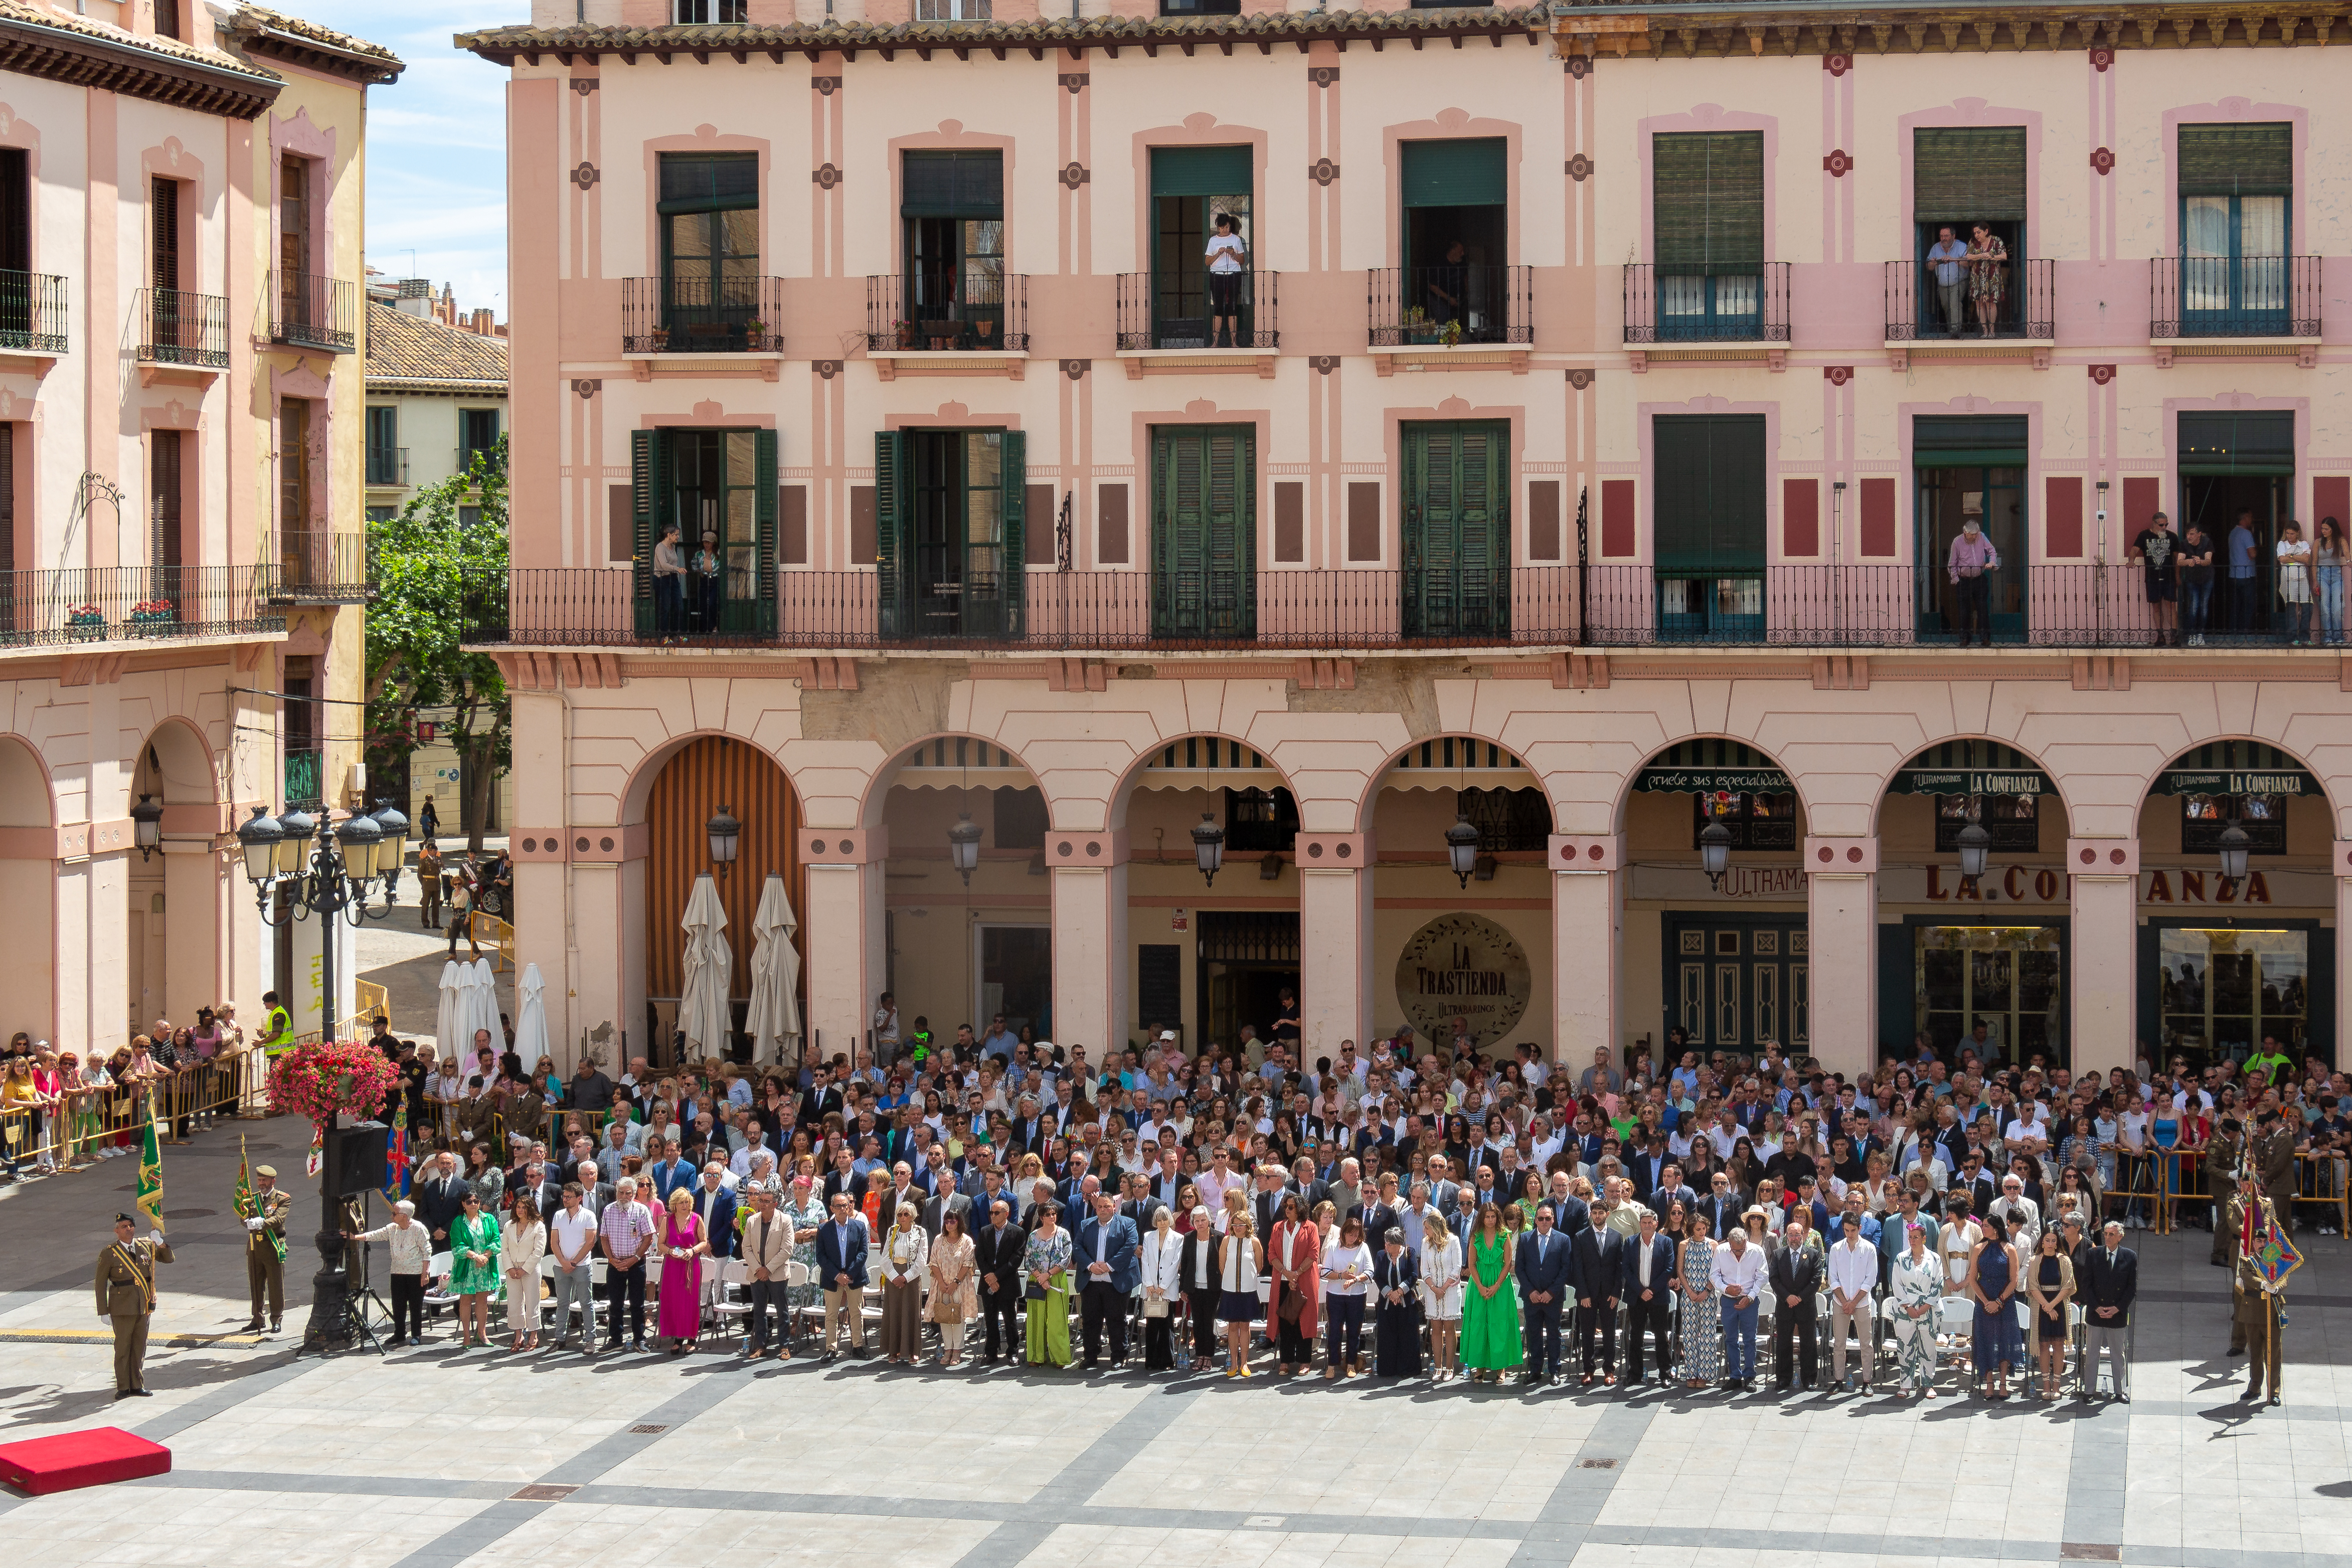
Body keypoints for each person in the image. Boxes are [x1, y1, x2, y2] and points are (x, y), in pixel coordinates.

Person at [95, 1213, 172, 1399]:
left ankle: (137, 1384)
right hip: (121, 1307)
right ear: (116, 1231)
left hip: (143, 1304)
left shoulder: (145, 1246)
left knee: (139, 1346)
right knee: (123, 1348)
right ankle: (123, 1386)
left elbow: (169, 1259)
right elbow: (100, 1283)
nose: (128, 1229)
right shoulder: (109, 1253)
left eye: (130, 1226)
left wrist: (160, 1242)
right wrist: (103, 1311)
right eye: (124, 1226)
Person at [2224, 1170, 2284, 1403]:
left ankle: (2274, 1390)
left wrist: (2275, 1285)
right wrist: (2248, 1233)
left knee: (2274, 1354)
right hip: (2240, 1249)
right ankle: (2238, 1343)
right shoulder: (2234, 1202)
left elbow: (2268, 1225)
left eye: (2252, 1183)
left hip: (2270, 1308)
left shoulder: (2266, 1205)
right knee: (2239, 1298)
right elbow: (2233, 1225)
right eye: (2244, 1182)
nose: (2248, 1185)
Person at [350, 1199, 435, 1347]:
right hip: (397, 1272)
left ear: (404, 1216)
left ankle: (416, 1335)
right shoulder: (392, 1229)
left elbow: (427, 1251)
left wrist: (425, 1273)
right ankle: (399, 1333)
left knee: (415, 1305)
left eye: (394, 1214)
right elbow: (376, 1235)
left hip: (415, 1274)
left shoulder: (418, 1229)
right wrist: (355, 1237)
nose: (392, 1216)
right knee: (398, 1304)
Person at [1075, 1190, 1138, 1370]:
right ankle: (1090, 1356)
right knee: (1090, 1320)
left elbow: (1130, 1246)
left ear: (1114, 1207)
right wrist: (1090, 1265)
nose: (1102, 1210)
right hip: (1091, 1280)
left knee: (1116, 1320)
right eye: (1099, 1207)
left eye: (1106, 1206)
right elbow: (1077, 1247)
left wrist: (1109, 1266)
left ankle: (1118, 1357)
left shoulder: (1127, 1224)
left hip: (1115, 1281)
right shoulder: (1086, 1225)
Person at [1460, 1201, 1522, 1384]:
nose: (1490, 1220)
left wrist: (1496, 1286)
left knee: (1499, 1325)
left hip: (1500, 1285)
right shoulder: (1476, 1236)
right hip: (1479, 1284)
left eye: (1493, 1216)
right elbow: (1471, 1264)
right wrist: (1479, 1286)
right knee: (1479, 1324)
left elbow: (1508, 1263)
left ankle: (1500, 1368)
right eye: (1487, 1217)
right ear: (1482, 1218)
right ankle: (1479, 1367)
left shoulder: (1505, 1235)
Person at [1514, 1200, 1571, 1387]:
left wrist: (1550, 1293)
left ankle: (1554, 1370)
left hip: (1553, 1298)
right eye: (1541, 1219)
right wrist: (1530, 1291)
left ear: (1553, 1220)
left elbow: (1565, 1270)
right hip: (1532, 1297)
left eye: (1548, 1218)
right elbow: (1520, 1268)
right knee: (1533, 1333)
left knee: (1554, 1333)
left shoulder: (1563, 1240)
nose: (1544, 1222)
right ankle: (1535, 1370)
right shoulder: (1525, 1239)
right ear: (1536, 1220)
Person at [1620, 1206, 1676, 1390]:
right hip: (1636, 1297)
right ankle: (1634, 1373)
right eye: (1643, 1223)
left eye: (1649, 1223)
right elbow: (1626, 1269)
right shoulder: (1630, 1242)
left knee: (1661, 1336)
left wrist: (1651, 1290)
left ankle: (1665, 1374)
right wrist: (1641, 1290)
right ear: (1640, 1224)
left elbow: (1669, 1269)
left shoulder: (1666, 1242)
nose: (1646, 1226)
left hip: (1658, 1297)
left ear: (1656, 1224)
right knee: (1635, 1335)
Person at [2077, 1218, 2134, 1401]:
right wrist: (2097, 1307)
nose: (2107, 1237)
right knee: (2092, 1353)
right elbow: (2087, 1284)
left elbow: (2131, 1288)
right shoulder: (2094, 1255)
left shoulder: (2129, 1257)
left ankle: (2120, 1391)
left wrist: (2117, 1308)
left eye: (2111, 1235)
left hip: (2117, 1315)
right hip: (2096, 1313)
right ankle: (2089, 1391)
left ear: (2120, 1237)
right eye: (2106, 1234)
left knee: (2118, 1354)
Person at [737, 1183, 795, 1360]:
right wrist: (757, 1269)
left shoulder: (785, 1221)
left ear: (775, 1204)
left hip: (776, 1273)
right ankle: (761, 1345)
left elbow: (787, 1250)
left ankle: (784, 1345)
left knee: (781, 1310)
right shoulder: (752, 1221)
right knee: (759, 1311)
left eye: (767, 1202)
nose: (762, 1204)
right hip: (757, 1274)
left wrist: (768, 1269)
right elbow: (746, 1248)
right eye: (761, 1201)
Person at [1888, 1217, 1943, 1399]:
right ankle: (1905, 1384)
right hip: (1905, 1311)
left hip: (1929, 1311)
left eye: (1916, 1237)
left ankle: (1928, 1384)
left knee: (1928, 1349)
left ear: (1924, 1238)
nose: (1912, 1240)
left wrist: (1925, 1307)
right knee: (1905, 1347)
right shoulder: (1900, 1258)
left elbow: (1938, 1285)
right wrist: (1909, 1307)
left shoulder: (1935, 1258)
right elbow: (1896, 1284)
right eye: (1910, 1237)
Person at [1968, 1211, 2022, 1399]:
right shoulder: (1978, 1249)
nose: (1983, 1228)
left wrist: (1999, 1301)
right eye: (1983, 1225)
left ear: (1996, 1229)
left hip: (2005, 1300)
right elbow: (1972, 1278)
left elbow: (2014, 1279)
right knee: (1986, 1340)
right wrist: (1985, 1302)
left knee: (2005, 1339)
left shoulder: (2010, 1249)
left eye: (1986, 1226)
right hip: (1984, 1300)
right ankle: (1989, 1382)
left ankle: (2003, 1383)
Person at [599, 1175, 654, 1353]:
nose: (624, 1196)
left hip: (636, 1262)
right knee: (616, 1303)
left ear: (634, 1193)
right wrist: (612, 1259)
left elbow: (648, 1237)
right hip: (615, 1263)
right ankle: (616, 1339)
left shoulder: (641, 1210)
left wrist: (635, 1258)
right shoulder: (608, 1210)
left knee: (637, 1303)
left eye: (628, 1193)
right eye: (621, 1193)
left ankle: (640, 1339)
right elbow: (604, 1237)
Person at [1266, 1192, 1319, 1375]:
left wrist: (1296, 1275)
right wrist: (1286, 1273)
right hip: (1282, 1280)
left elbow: (1313, 1254)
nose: (1287, 1210)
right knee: (1285, 1319)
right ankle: (1286, 1360)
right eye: (1286, 1206)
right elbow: (1271, 1254)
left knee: (1304, 1320)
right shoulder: (1278, 1228)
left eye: (1291, 1207)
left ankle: (1305, 1361)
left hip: (1303, 1281)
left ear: (1300, 1209)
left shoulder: (1310, 1227)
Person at [1769, 1212, 1821, 1392]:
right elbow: (1774, 1279)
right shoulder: (1778, 1254)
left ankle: (1809, 1379)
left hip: (1806, 1306)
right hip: (1785, 1305)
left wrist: (1799, 1298)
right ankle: (1783, 1379)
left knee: (1808, 1343)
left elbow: (1816, 1280)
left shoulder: (1813, 1255)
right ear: (1786, 1237)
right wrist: (1788, 1297)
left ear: (1803, 1236)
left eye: (1797, 1235)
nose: (1793, 1238)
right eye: (1790, 1235)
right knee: (1784, 1343)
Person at [1825, 1211, 1878, 1393]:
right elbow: (1833, 1278)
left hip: (1861, 1303)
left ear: (1860, 1228)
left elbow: (1870, 1280)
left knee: (1866, 1343)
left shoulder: (1870, 1249)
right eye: (1847, 1230)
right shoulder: (1836, 1249)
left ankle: (1867, 1381)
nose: (1850, 1234)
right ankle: (1838, 1380)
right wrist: (1844, 1301)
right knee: (1839, 1343)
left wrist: (1853, 1302)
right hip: (1841, 1303)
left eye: (1853, 1230)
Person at [238, 1162, 292, 1335]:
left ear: (273, 1181)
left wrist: (260, 1223)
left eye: (265, 1181)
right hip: (255, 1249)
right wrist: (246, 1222)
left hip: (273, 1247)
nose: (261, 1183)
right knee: (256, 1285)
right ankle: (257, 1318)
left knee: (276, 1286)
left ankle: (276, 1318)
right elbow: (244, 1217)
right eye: (259, 1180)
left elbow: (278, 1220)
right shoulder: (252, 1199)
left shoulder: (282, 1199)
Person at [1570, 1203, 1620, 1385]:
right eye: (1595, 1213)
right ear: (1591, 1214)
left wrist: (1616, 1292)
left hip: (1609, 1295)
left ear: (1607, 1214)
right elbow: (1577, 1268)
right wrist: (1582, 1293)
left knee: (1609, 1333)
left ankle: (1609, 1370)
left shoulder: (1617, 1237)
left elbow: (1619, 1268)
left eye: (1601, 1213)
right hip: (1587, 1295)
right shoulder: (1581, 1237)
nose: (1598, 1216)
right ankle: (1589, 1370)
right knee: (1588, 1332)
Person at [817, 1190, 871, 1360]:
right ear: (832, 1208)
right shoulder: (824, 1229)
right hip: (832, 1278)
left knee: (856, 1312)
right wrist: (836, 1275)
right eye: (838, 1206)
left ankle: (857, 1346)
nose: (842, 1209)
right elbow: (821, 1256)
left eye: (845, 1205)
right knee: (831, 1314)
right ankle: (831, 1349)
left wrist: (848, 1274)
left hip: (854, 1277)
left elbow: (863, 1253)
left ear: (849, 1207)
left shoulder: (859, 1227)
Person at [447, 1189, 502, 1350]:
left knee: (482, 1300)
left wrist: (485, 1256)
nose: (473, 1204)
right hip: (467, 1266)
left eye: (476, 1201)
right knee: (465, 1300)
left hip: (484, 1266)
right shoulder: (458, 1222)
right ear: (463, 1205)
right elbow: (457, 1246)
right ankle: (466, 1336)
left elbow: (496, 1239)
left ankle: (482, 1333)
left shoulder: (489, 1219)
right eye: (469, 1202)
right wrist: (475, 1257)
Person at [975, 1197, 1027, 1365]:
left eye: (997, 1213)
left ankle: (1012, 1351)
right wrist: (989, 1276)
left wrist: (997, 1276)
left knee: (1009, 1319)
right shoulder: (985, 1232)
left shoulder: (1017, 1232)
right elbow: (980, 1256)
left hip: (1007, 1281)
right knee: (990, 1318)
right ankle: (991, 1351)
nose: (993, 1216)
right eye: (991, 1212)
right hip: (988, 1281)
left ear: (1007, 1214)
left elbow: (1016, 1258)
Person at [1320, 1214, 1373, 1379]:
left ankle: (1351, 1363)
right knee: (1335, 1330)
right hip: (1335, 1295)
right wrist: (1341, 1276)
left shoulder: (1363, 1247)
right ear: (1343, 1233)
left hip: (1357, 1295)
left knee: (1354, 1331)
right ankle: (1332, 1365)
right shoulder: (1334, 1247)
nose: (1353, 1238)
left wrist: (1357, 1279)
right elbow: (1325, 1272)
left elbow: (1370, 1271)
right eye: (1350, 1235)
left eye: (1356, 1235)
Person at [1672, 1209, 1720, 1389]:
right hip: (1689, 1295)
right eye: (1699, 1229)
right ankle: (1691, 1373)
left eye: (1704, 1229)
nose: (1702, 1232)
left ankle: (1705, 1374)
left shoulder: (1714, 1245)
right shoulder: (1684, 1245)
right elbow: (1680, 1271)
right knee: (1690, 1335)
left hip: (1708, 1295)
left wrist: (1707, 1290)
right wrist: (1690, 1292)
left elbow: (1716, 1271)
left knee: (1707, 1335)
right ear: (1692, 1229)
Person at [1025, 1197, 1075, 1368]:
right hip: (1037, 1279)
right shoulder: (1033, 1236)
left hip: (1056, 1279)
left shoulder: (1064, 1234)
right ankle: (1036, 1355)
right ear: (1041, 1217)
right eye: (1048, 1214)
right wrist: (1040, 1276)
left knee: (1057, 1320)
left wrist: (1048, 1275)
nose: (1052, 1217)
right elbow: (1029, 1259)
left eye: (1054, 1214)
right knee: (1036, 1319)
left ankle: (1060, 1357)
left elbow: (1066, 1258)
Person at [1714, 1221, 1763, 1391]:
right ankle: (1735, 1376)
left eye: (1741, 1250)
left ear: (1746, 1241)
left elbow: (1763, 1277)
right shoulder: (1721, 1251)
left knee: (1750, 1339)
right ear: (1729, 1243)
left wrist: (1749, 1297)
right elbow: (1714, 1275)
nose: (1738, 1254)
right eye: (1735, 1251)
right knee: (1731, 1339)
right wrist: (1726, 1288)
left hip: (1749, 1301)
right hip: (1728, 1301)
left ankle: (1750, 1376)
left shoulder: (1757, 1251)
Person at [877, 1200, 928, 1364]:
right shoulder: (892, 1231)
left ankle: (913, 1352)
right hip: (893, 1278)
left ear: (912, 1216)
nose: (902, 1217)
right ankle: (894, 1351)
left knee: (911, 1313)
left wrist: (905, 1277)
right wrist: (894, 1276)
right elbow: (884, 1257)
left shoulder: (921, 1232)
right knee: (894, 1312)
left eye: (906, 1214)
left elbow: (922, 1259)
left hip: (911, 1279)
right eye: (900, 1214)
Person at [1214, 1209, 1262, 1377]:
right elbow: (1222, 1265)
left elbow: (1260, 1265)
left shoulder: (1254, 1242)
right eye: (1235, 1225)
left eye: (1241, 1225)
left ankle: (1245, 1363)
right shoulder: (1227, 1241)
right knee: (1233, 1326)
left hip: (1248, 1290)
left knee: (1245, 1325)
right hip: (1230, 1289)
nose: (1238, 1228)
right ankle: (1233, 1363)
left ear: (1247, 1225)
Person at [1420, 1197, 1464, 1380]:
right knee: (1435, 1329)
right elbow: (1425, 1269)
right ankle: (1437, 1367)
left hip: (1450, 1291)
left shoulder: (1453, 1241)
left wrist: (1444, 1288)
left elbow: (1457, 1267)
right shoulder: (1426, 1243)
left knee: (1449, 1328)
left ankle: (1449, 1368)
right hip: (1433, 1292)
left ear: (1436, 1227)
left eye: (1428, 1228)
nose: (1426, 1231)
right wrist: (1434, 1288)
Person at [927, 1208, 976, 1367]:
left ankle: (958, 1350)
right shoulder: (938, 1240)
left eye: (953, 1221)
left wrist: (955, 1283)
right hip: (941, 1285)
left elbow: (967, 1264)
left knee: (958, 1318)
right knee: (944, 1317)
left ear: (959, 1222)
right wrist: (942, 1283)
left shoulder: (967, 1241)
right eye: (946, 1221)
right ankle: (948, 1349)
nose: (949, 1224)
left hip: (960, 1285)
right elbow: (933, 1262)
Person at [1372, 1228, 1422, 1377]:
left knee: (1408, 1336)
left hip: (1406, 1303)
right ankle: (1388, 1369)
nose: (1386, 1246)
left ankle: (1408, 1369)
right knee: (1387, 1337)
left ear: (1398, 1244)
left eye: (1390, 1244)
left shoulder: (1410, 1253)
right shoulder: (1381, 1255)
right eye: (1386, 1243)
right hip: (1387, 1303)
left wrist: (1399, 1292)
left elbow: (1413, 1275)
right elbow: (1378, 1277)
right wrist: (1390, 1293)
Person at [502, 1191, 547, 1352]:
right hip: (512, 1270)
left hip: (530, 1270)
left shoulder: (538, 1226)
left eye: (524, 1207)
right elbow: (505, 1249)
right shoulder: (509, 1226)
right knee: (514, 1303)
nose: (520, 1210)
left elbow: (538, 1251)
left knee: (532, 1302)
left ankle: (533, 1336)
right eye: (518, 1207)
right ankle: (518, 1336)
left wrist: (524, 1269)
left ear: (531, 1208)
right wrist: (510, 1268)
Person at [1138, 1204, 1182, 1370]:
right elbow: (1146, 1261)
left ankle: (1167, 1361)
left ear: (1169, 1220)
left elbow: (1175, 1264)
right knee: (1152, 1325)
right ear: (1155, 1221)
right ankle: (1151, 1361)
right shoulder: (1148, 1236)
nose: (1162, 1223)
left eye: (1165, 1219)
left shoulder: (1178, 1238)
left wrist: (1163, 1286)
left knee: (1166, 1325)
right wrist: (1149, 1283)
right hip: (1150, 1289)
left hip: (1168, 1289)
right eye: (1159, 1219)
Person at [1947, 513, 1999, 647]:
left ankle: (1985, 638)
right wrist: (1956, 580)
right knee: (1964, 611)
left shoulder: (1981, 537)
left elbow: (1992, 551)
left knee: (1983, 609)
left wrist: (1992, 563)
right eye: (1972, 534)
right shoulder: (1957, 542)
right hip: (1963, 581)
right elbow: (1952, 563)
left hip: (1979, 579)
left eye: (1976, 533)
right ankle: (1965, 638)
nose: (1975, 537)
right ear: (1965, 533)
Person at [2131, 509, 2179, 646]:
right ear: (2154, 524)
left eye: (2166, 525)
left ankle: (2174, 636)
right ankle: (2161, 636)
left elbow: (2177, 558)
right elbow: (2135, 549)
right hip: (2152, 578)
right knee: (2157, 608)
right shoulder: (2144, 535)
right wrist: (2131, 560)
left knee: (2171, 607)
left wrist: (2177, 576)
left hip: (2169, 577)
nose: (2164, 527)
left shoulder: (2172, 537)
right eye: (2161, 525)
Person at [1204, 211, 1248, 349]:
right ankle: (1215, 342)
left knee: (1232, 306)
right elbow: (1207, 262)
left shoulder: (1236, 240)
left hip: (1233, 274)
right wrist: (1218, 254)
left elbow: (1242, 260)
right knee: (1217, 306)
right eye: (1222, 228)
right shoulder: (1213, 241)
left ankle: (1234, 342)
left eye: (1227, 227)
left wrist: (1233, 254)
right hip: (1217, 275)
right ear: (1218, 227)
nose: (1225, 230)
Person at [1964, 221, 2007, 336]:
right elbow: (1968, 256)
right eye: (1975, 233)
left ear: (1986, 231)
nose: (1977, 235)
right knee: (1979, 303)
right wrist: (1980, 256)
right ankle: (1985, 331)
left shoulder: (1996, 241)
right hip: (1977, 277)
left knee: (1991, 303)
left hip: (1992, 277)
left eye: (1979, 232)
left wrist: (1992, 257)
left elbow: (2004, 256)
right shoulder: (1973, 242)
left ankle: (1992, 331)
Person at [1925, 225, 1969, 334]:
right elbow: (1929, 267)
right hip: (1943, 284)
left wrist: (1953, 259)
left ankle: (1955, 330)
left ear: (1954, 236)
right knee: (1946, 306)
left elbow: (1968, 263)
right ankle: (1953, 329)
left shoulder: (1962, 246)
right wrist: (1932, 263)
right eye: (1941, 236)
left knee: (1954, 302)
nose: (1943, 238)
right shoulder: (1936, 248)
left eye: (1946, 236)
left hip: (1959, 281)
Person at [2178, 520, 2216, 644]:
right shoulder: (2184, 544)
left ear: (2199, 534)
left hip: (2207, 579)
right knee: (2194, 606)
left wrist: (2200, 561)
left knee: (2204, 606)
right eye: (2188, 534)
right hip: (2191, 579)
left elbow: (2208, 560)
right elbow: (2179, 561)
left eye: (2192, 534)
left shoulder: (2207, 542)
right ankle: (2192, 635)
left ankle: (2201, 634)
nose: (2189, 537)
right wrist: (2188, 562)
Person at [2277, 519, 2313, 645]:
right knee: (2291, 607)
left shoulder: (2304, 544)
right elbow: (2282, 559)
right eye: (2288, 533)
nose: (2289, 536)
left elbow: (2307, 559)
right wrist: (2299, 558)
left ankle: (2305, 637)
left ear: (2297, 533)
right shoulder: (2282, 544)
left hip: (2302, 578)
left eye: (2292, 534)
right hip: (2288, 578)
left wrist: (2291, 556)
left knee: (2308, 606)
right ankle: (2293, 638)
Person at [2313, 515, 2347, 646]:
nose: (2323, 531)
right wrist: (2315, 580)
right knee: (2325, 607)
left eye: (2326, 529)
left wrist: (2349, 561)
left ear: (2333, 529)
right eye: (2322, 528)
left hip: (2337, 576)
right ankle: (2327, 637)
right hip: (2322, 575)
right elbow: (2314, 562)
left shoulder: (2340, 540)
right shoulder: (2318, 542)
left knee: (2338, 608)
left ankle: (2338, 636)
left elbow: (2348, 554)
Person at [2227, 508, 2260, 633]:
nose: (2252, 520)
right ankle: (2245, 632)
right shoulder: (2247, 534)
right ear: (2245, 518)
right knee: (2248, 606)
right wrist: (2257, 551)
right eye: (2251, 517)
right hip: (2247, 575)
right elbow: (2252, 554)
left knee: (2235, 606)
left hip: (2233, 574)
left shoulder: (2232, 533)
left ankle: (2233, 632)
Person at [652, 519, 686, 635]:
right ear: (669, 535)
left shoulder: (672, 547)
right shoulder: (660, 547)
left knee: (679, 607)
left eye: (678, 534)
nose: (678, 537)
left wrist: (676, 571)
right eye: (676, 535)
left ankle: (678, 633)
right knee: (665, 608)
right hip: (662, 579)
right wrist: (677, 569)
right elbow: (663, 564)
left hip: (673, 579)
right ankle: (664, 636)